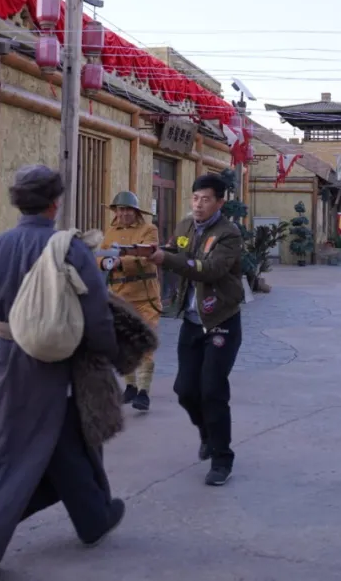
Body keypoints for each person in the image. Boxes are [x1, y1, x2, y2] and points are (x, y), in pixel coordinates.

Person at [0, 165, 125, 581]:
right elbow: (97, 316)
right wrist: (106, 355)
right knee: (15, 459)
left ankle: (94, 518)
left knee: (50, 446)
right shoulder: (69, 248)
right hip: (50, 366)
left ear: (19, 203)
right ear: (55, 203)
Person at [150, 173, 244, 486]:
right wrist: (152, 252)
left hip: (221, 322)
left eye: (205, 199)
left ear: (220, 202)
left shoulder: (229, 234)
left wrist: (167, 259)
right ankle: (207, 433)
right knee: (185, 390)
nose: (198, 204)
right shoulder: (185, 226)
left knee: (212, 390)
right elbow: (177, 252)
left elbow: (210, 269)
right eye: (195, 198)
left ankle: (222, 459)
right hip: (192, 322)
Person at [100, 190, 161, 412]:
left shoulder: (149, 230)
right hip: (120, 297)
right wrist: (103, 263)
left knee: (144, 343)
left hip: (146, 297)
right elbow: (101, 256)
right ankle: (130, 386)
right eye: (120, 209)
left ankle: (143, 391)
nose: (124, 213)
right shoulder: (110, 232)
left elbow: (147, 256)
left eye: (128, 210)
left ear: (136, 212)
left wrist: (120, 262)